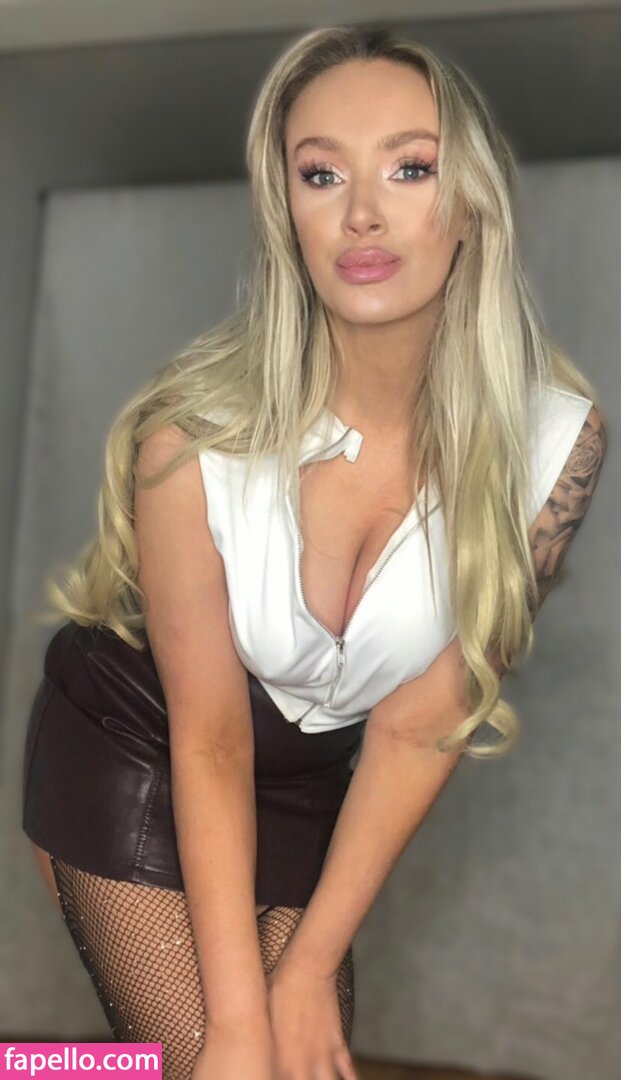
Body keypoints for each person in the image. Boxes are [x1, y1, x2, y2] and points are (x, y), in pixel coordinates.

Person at [21, 22, 607, 1080]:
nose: (363, 213)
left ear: (472, 199)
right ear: (285, 212)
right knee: (224, 1060)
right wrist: (239, 1027)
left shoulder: (555, 448)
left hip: (309, 784)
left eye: (411, 167)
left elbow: (418, 726)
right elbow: (209, 740)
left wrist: (306, 970)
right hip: (144, 743)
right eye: (322, 174)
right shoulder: (191, 441)